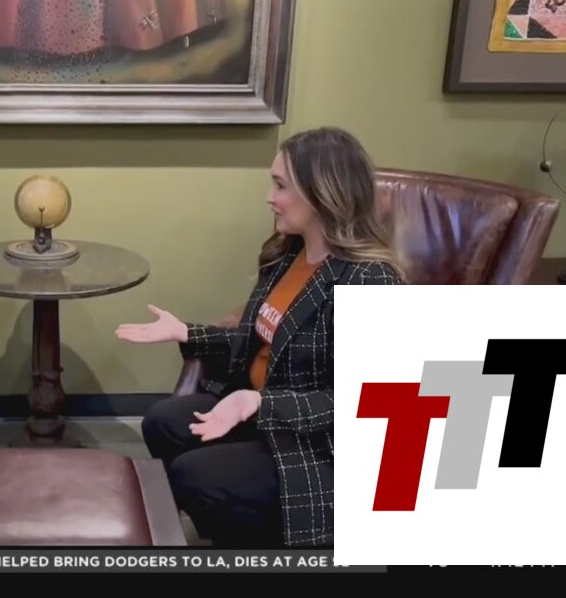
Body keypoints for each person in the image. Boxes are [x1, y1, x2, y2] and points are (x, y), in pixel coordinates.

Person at [115, 126, 404, 548]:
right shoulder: (290, 253)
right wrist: (187, 332)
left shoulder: (371, 281)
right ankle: (236, 531)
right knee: (164, 423)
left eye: (280, 185)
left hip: (319, 444)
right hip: (265, 417)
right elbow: (266, 341)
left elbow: (369, 402)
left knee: (195, 475)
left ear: (321, 193)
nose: (270, 197)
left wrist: (260, 403)